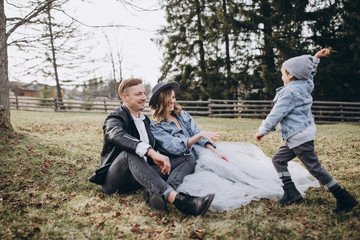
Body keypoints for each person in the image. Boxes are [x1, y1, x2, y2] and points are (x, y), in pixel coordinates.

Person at [149, 82, 320, 211]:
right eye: (170, 97)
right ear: (162, 100)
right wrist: (199, 136)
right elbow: (175, 147)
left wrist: (214, 149)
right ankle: (168, 196)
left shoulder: (182, 115)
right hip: (184, 157)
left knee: (225, 163)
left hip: (201, 151)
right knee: (211, 168)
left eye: (174, 97)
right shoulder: (157, 127)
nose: (174, 100)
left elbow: (199, 135)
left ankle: (274, 184)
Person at [88, 78, 215, 216]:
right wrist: (151, 152)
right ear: (124, 97)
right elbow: (116, 135)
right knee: (129, 154)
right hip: (116, 179)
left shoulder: (146, 121)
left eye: (144, 93)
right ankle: (180, 200)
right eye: (138, 94)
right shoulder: (115, 118)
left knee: (187, 158)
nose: (143, 98)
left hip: (142, 175)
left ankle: (159, 194)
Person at [256, 48, 358, 212]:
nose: (282, 77)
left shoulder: (289, 92)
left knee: (315, 168)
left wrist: (263, 129)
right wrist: (315, 59)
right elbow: (309, 74)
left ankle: (343, 198)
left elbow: (277, 113)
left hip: (299, 136)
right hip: (301, 134)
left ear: (291, 75)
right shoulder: (305, 84)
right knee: (278, 160)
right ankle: (291, 192)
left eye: (283, 73)